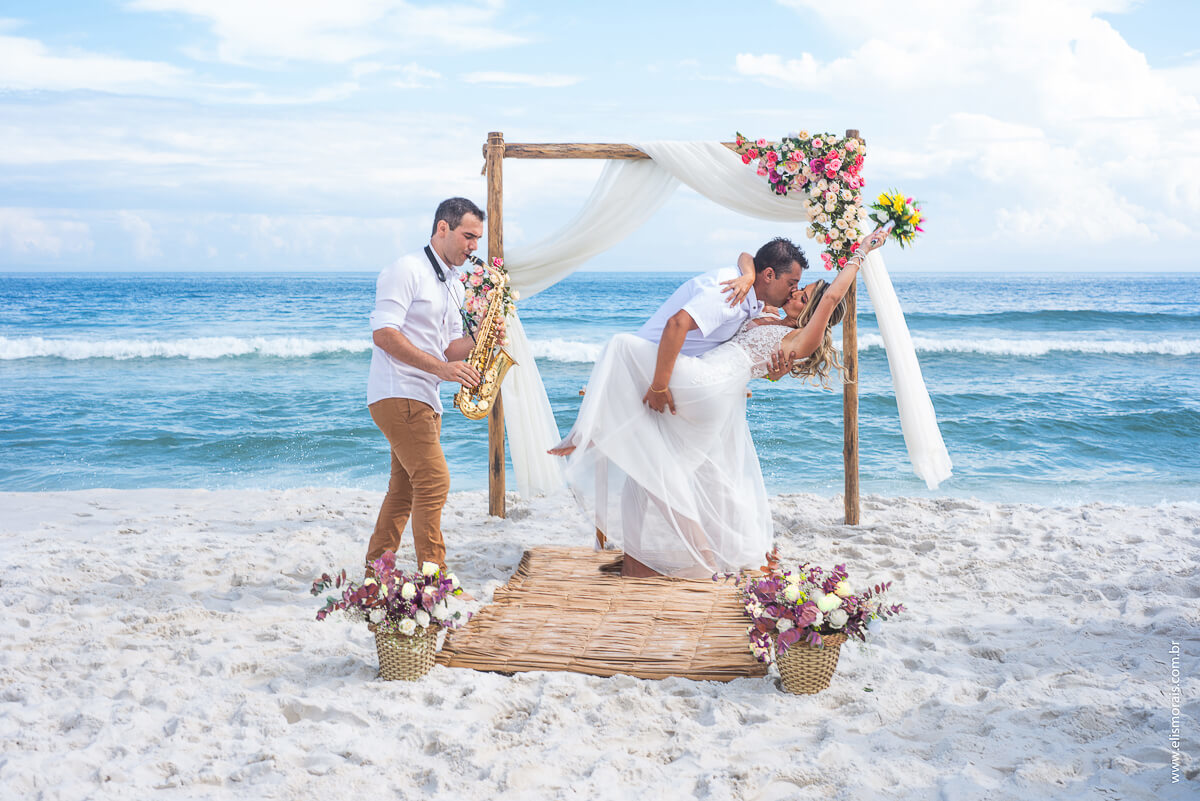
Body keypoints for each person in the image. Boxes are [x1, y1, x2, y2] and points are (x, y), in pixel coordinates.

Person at [550, 227, 891, 579]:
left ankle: (590, 432)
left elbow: (833, 297)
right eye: (795, 288)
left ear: (816, 314)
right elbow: (749, 258)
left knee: (622, 346)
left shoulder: (801, 339)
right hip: (713, 390)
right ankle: (642, 563)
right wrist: (748, 274)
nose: (793, 294)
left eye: (802, 296)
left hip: (707, 384)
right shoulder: (770, 313)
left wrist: (862, 252)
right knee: (651, 473)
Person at [365, 197, 483, 589]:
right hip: (399, 391)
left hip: (423, 396)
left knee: (404, 491)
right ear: (442, 228)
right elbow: (384, 334)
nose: (473, 246)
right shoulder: (406, 269)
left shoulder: (452, 283)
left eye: (477, 239)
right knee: (435, 481)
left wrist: (480, 339)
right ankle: (434, 581)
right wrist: (443, 370)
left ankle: (374, 579)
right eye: (468, 236)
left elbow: (449, 347)